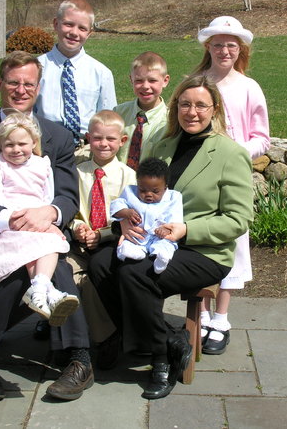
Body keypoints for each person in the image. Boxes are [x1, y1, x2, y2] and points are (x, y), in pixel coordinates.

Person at [87, 74, 254, 400]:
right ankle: (171, 339)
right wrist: (125, 220)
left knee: (136, 274)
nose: (192, 112)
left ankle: (161, 359)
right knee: (100, 264)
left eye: (201, 105)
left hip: (203, 250)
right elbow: (139, 194)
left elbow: (238, 220)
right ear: (176, 107)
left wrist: (186, 229)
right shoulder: (162, 145)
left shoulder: (230, 154)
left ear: (215, 109)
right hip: (152, 241)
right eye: (185, 104)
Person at [0, 51, 94, 402]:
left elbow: (67, 196)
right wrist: (9, 220)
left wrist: (50, 213)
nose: (20, 90)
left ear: (38, 88)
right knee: (10, 267)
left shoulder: (58, 136)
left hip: (44, 230)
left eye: (28, 83)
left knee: (56, 267)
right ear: (0, 84)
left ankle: (78, 359)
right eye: (13, 82)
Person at [192, 16, 270, 355]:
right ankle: (200, 314)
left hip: (233, 176)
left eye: (231, 45)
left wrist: (236, 152)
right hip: (199, 174)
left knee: (233, 241)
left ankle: (221, 319)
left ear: (241, 50)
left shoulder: (249, 87)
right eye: (218, 44)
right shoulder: (196, 83)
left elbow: (261, 137)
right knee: (199, 240)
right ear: (208, 47)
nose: (225, 51)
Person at [0, 112, 79, 327]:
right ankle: (48, 292)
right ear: (0, 145)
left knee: (51, 243)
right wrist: (18, 220)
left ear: (34, 143)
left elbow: (48, 195)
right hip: (12, 222)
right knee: (37, 246)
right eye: (9, 145)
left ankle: (40, 289)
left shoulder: (41, 164)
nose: (16, 149)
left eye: (22, 144)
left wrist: (47, 221)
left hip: (39, 218)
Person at [67, 110, 136, 368]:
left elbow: (130, 215)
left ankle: (105, 337)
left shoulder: (128, 176)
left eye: (110, 139)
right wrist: (78, 227)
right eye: (97, 138)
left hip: (111, 242)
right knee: (65, 275)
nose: (103, 144)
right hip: (79, 242)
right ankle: (67, 338)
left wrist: (102, 234)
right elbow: (70, 207)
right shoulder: (78, 173)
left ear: (122, 141)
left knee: (93, 280)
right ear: (88, 138)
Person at [35, 0, 117, 146]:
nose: (74, 32)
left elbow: (108, 119)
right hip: (45, 145)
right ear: (56, 24)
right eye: (68, 24)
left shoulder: (101, 73)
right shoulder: (37, 67)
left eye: (82, 28)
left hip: (85, 148)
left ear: (89, 33)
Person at [111, 157, 183, 274]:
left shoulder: (173, 197)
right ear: (138, 184)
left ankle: (162, 258)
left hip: (158, 236)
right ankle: (129, 253)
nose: (148, 194)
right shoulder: (130, 192)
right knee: (128, 243)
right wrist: (125, 212)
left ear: (165, 187)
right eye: (143, 190)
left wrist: (166, 229)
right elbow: (116, 205)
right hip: (138, 235)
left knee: (166, 244)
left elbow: (176, 218)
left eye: (155, 191)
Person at [113, 51, 170, 169]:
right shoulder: (119, 113)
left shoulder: (171, 120)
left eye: (152, 80)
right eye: (139, 80)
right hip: (119, 177)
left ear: (165, 81)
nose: (145, 86)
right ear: (131, 80)